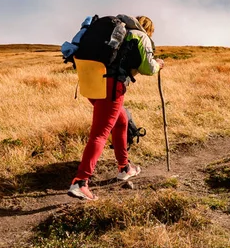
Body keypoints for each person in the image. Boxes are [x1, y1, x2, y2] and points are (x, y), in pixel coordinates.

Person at [68, 15, 164, 200]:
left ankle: (125, 167)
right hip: (111, 86)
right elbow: (148, 68)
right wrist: (159, 64)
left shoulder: (114, 29)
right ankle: (80, 182)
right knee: (100, 133)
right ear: (149, 29)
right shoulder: (139, 36)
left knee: (121, 122)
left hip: (90, 82)